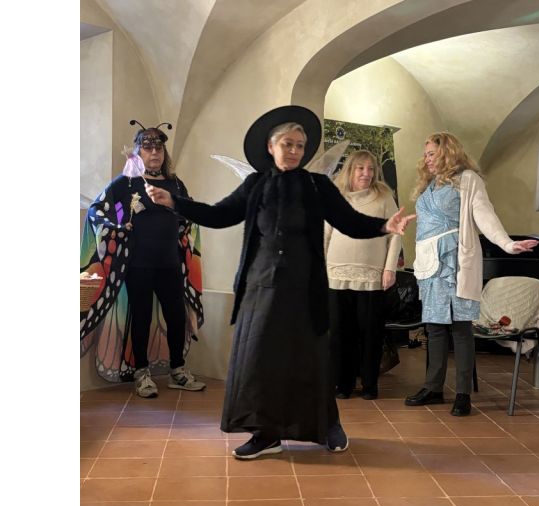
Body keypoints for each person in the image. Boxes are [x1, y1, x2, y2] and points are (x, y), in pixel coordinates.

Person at [146, 105, 414, 459]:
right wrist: (174, 202)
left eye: (300, 145)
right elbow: (219, 214)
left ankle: (327, 427)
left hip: (305, 290)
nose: (294, 151)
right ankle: (266, 434)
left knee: (309, 359)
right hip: (261, 289)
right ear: (271, 147)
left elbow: (348, 221)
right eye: (287, 144)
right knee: (261, 361)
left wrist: (384, 226)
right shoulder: (255, 184)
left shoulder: (317, 185)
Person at [404, 132, 538, 416]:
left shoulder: (468, 180)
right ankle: (433, 387)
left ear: (447, 152)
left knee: (460, 327)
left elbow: (484, 215)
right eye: (425, 154)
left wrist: (507, 244)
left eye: (432, 154)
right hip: (430, 264)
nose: (427, 159)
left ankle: (463, 393)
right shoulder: (429, 184)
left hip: (455, 261)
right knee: (434, 327)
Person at [80, 121, 206, 398]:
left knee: (176, 316)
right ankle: (141, 373)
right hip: (138, 264)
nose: (155, 152)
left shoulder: (175, 184)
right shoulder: (126, 183)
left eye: (159, 148)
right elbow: (96, 209)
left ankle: (178, 370)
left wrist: (184, 221)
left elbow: (187, 214)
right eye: (148, 147)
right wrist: (118, 226)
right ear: (138, 152)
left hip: (170, 263)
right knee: (141, 317)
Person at [324, 150, 402, 400]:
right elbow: (325, 234)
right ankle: (342, 384)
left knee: (370, 332)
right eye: (360, 168)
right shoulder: (336, 196)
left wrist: (390, 268)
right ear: (351, 169)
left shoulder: (384, 196)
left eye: (370, 168)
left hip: (372, 276)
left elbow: (396, 234)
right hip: (336, 273)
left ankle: (369, 384)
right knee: (339, 332)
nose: (366, 173)